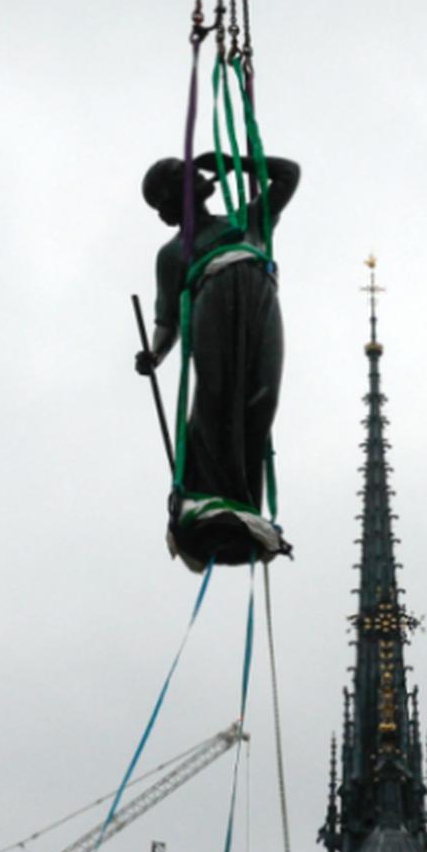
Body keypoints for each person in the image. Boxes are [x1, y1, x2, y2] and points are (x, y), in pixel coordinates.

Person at [137, 152, 300, 569]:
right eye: (184, 173)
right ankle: (210, 498)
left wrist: (236, 162)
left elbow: (288, 174)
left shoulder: (246, 220)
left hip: (260, 301)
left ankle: (243, 503)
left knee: (262, 396)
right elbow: (167, 320)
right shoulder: (173, 254)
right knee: (216, 393)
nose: (196, 172)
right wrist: (154, 353)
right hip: (212, 304)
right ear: (173, 197)